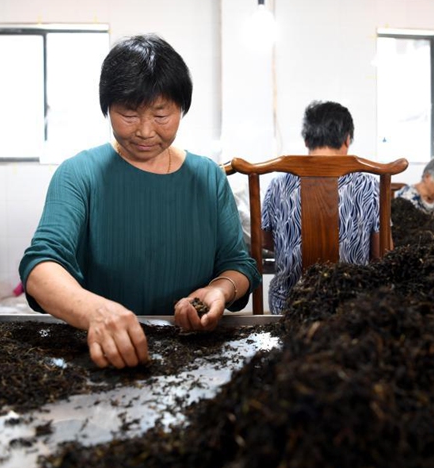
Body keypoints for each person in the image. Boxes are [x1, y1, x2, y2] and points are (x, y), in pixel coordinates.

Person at [19, 34, 261, 369]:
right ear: (108, 108)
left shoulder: (209, 178)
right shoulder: (79, 174)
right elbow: (40, 268)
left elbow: (239, 265)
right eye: (129, 114)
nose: (146, 131)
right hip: (103, 353)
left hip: (193, 355)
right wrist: (96, 313)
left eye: (161, 115)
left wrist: (220, 291)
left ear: (181, 109)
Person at [261, 101, 382, 315]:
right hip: (351, 309)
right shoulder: (370, 185)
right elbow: (379, 251)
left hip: (288, 308)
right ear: (347, 139)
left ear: (307, 140)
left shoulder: (278, 184)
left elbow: (267, 242)